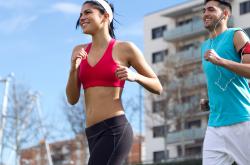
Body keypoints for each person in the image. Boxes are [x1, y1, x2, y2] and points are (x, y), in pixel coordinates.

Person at [66, 0, 162, 164]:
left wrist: (135, 76)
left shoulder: (125, 48)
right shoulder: (79, 51)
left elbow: (158, 86)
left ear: (105, 16)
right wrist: (73, 69)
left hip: (114, 128)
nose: (82, 17)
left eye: (88, 12)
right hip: (91, 132)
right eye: (81, 14)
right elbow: (72, 99)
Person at [201, 0, 250, 164]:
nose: (205, 14)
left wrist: (220, 60)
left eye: (210, 9)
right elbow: (222, 82)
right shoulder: (204, 46)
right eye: (203, 10)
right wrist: (211, 101)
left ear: (225, 14)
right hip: (215, 125)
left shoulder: (237, 35)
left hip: (242, 121)